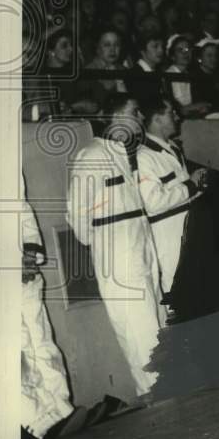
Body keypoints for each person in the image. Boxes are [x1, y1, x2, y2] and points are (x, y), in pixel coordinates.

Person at [66, 93, 166, 396]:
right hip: (118, 250)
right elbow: (77, 214)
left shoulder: (126, 153)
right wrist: (105, 244)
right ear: (114, 117)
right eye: (134, 112)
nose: (140, 118)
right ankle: (156, 392)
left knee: (156, 316)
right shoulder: (92, 156)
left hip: (140, 241)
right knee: (138, 326)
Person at [21, 174, 83, 439]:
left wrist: (29, 254)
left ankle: (60, 409)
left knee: (42, 340)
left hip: (22, 273)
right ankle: (34, 422)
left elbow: (21, 208)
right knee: (18, 353)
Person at [137, 97, 208, 321]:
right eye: (171, 113)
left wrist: (199, 187)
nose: (176, 117)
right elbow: (153, 202)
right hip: (168, 236)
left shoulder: (172, 149)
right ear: (157, 119)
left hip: (189, 230)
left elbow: (184, 192)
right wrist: (191, 186)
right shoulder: (144, 156)